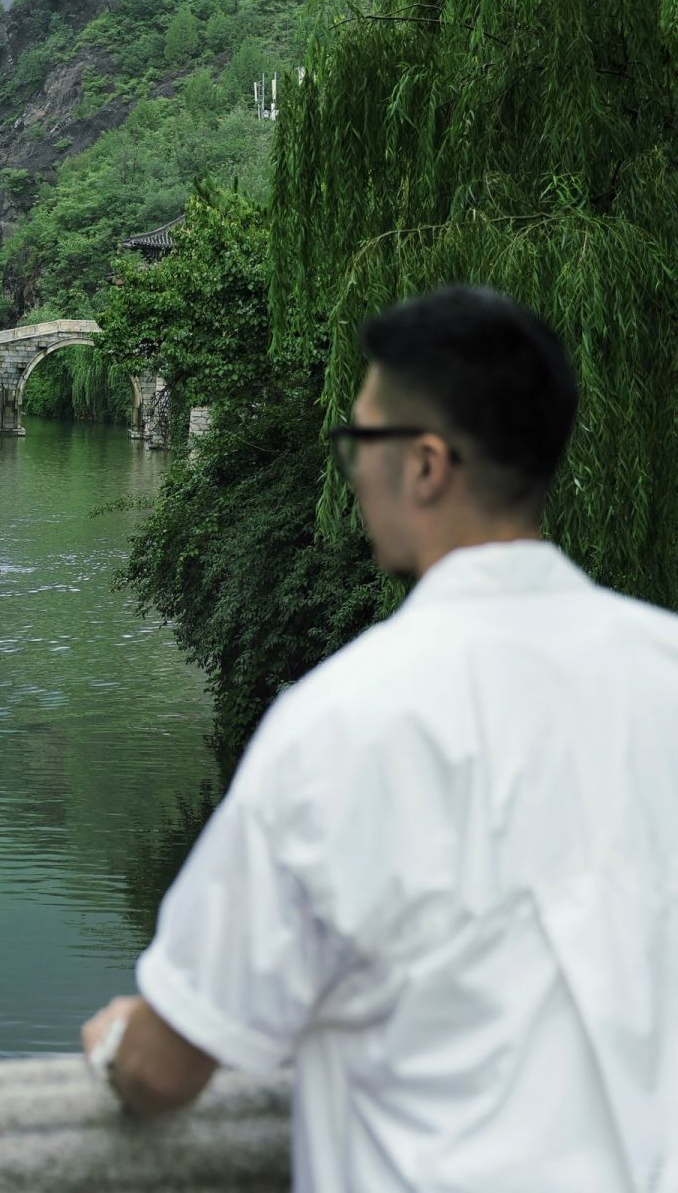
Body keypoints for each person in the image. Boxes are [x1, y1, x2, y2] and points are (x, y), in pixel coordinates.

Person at [82, 286, 678, 1192]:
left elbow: (166, 1071)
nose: (352, 468)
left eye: (359, 440)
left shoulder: (342, 720)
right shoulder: (661, 666)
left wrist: (115, 1045)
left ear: (427, 466)